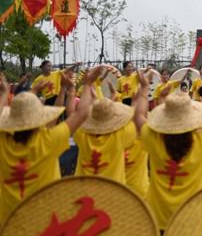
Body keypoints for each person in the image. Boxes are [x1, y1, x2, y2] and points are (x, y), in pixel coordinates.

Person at [0, 66, 103, 224]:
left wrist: (5, 92)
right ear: (39, 118)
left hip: (9, 222)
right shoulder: (48, 140)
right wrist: (86, 84)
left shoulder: (3, 142)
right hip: (45, 220)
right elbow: (81, 113)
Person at [134, 68, 202, 230]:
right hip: (192, 217)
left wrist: (144, 88)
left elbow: (139, 117)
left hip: (157, 218)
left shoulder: (154, 138)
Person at [73, 96, 138, 182]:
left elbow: (72, 114)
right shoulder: (122, 134)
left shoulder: (81, 133)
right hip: (113, 190)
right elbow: (139, 119)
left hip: (83, 189)